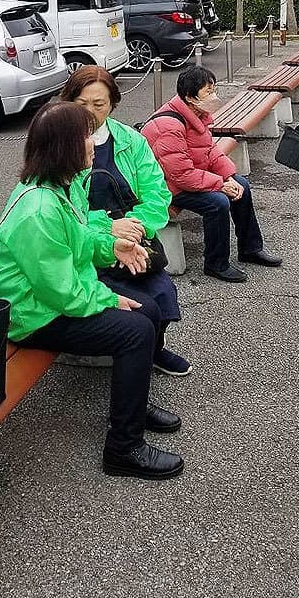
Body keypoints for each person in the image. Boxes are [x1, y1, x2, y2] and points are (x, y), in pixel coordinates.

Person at [0, 101, 184, 481]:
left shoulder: (63, 185)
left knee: (149, 308)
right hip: (30, 316)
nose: (94, 142)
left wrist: (112, 247)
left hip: (52, 299)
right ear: (64, 147)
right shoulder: (39, 210)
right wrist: (109, 298)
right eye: (85, 136)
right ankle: (123, 447)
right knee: (135, 330)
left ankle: (133, 405)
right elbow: (61, 292)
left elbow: (77, 240)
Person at [60, 66, 191, 376]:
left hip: (133, 240)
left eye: (99, 104)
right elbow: (59, 210)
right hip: (82, 246)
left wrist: (134, 226)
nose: (90, 112)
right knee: (134, 304)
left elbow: (157, 194)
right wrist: (107, 226)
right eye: (81, 104)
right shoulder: (59, 146)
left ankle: (153, 349)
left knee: (161, 291)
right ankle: (129, 351)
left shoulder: (131, 141)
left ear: (113, 104)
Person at [142, 65, 282, 282]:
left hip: (188, 178)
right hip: (166, 187)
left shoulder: (196, 113)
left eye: (213, 89)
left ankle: (251, 249)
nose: (214, 96)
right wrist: (220, 184)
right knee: (217, 202)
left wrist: (228, 177)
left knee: (242, 186)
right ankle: (215, 263)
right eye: (208, 91)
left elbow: (210, 152)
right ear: (190, 96)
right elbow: (181, 175)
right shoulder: (168, 126)